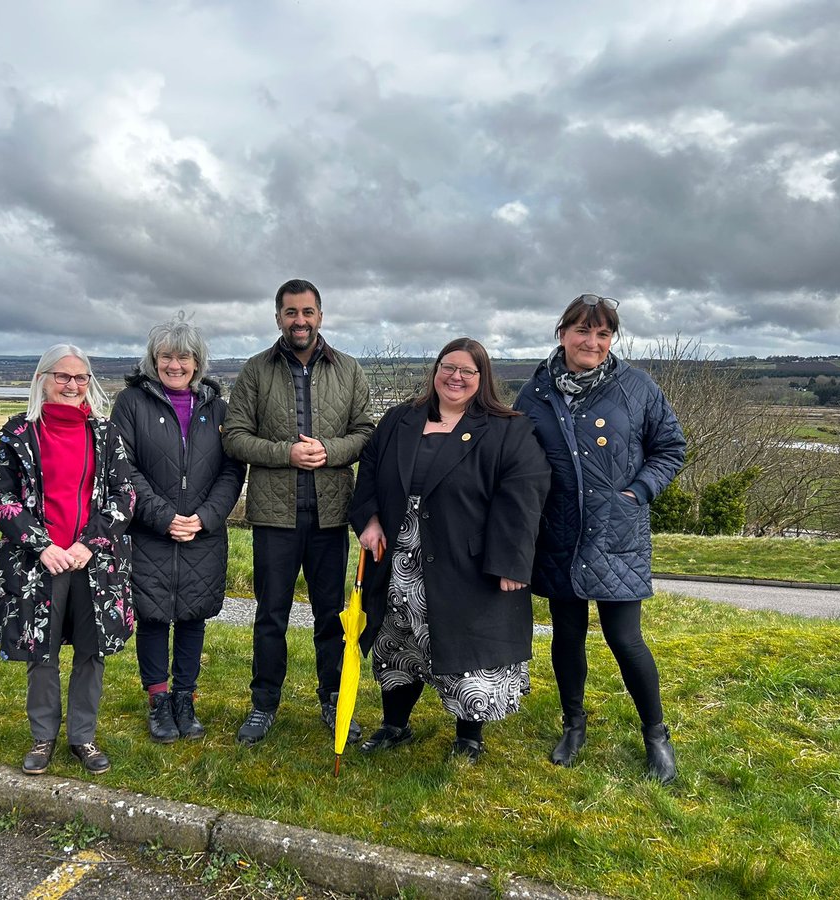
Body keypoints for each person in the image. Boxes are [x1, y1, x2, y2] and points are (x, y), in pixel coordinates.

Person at [349, 338, 550, 761]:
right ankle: (395, 725)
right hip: (401, 555)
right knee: (397, 640)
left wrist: (511, 561)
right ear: (435, 370)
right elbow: (369, 469)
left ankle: (469, 737)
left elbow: (524, 495)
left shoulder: (507, 429)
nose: (455, 377)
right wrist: (368, 520)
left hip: (468, 560)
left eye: (467, 371)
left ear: (483, 379)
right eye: (448, 367)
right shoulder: (400, 419)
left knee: (466, 647)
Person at [514, 294, 686, 784]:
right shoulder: (536, 393)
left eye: (603, 333)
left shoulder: (636, 387)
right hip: (560, 532)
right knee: (567, 635)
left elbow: (671, 447)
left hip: (617, 530)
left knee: (625, 638)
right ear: (562, 332)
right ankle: (573, 724)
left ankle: (656, 735)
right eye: (582, 331)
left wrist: (638, 492)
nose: (592, 342)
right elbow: (517, 459)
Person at [222, 278, 375, 745]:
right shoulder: (255, 371)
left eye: (307, 312)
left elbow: (368, 432)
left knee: (332, 616)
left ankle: (332, 699)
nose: (300, 321)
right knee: (271, 615)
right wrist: (284, 453)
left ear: (321, 316)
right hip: (274, 517)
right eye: (291, 313)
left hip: (331, 516)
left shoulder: (348, 370)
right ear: (278, 318)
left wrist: (329, 450)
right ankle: (263, 703)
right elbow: (234, 435)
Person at [0, 343, 137, 776]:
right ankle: (42, 736)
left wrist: (88, 544)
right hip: (40, 564)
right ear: (43, 380)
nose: (72, 385)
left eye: (80, 377)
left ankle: (83, 738)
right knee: (42, 650)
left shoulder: (106, 434)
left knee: (91, 653)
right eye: (62, 376)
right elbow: (2, 500)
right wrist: (43, 546)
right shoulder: (18, 435)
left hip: (94, 563)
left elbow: (124, 496)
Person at [111, 319, 245, 743]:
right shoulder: (131, 403)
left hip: (202, 534)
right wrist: (162, 516)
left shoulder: (217, 408)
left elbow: (231, 469)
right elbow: (124, 467)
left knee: (192, 616)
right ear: (154, 360)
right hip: (150, 531)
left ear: (197, 362)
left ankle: (185, 700)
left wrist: (205, 517)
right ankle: (159, 701)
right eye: (166, 356)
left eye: (184, 356)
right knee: (152, 616)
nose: (175, 364)